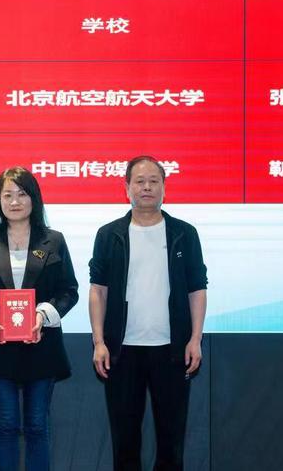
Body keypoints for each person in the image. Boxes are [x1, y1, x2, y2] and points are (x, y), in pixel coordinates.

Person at [88, 155, 208, 471]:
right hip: (121, 351)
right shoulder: (109, 235)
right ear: (126, 187)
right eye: (139, 181)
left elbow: (197, 288)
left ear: (164, 187)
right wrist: (99, 342)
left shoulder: (184, 233)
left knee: (171, 442)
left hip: (172, 350)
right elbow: (98, 290)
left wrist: (195, 338)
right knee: (125, 441)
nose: (147, 187)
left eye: (154, 181)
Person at [0, 166, 79, 471]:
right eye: (7, 195)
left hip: (41, 345)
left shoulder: (54, 240)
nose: (14, 201)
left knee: (37, 425)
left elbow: (68, 290)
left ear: (34, 198)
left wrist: (42, 314)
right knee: (7, 424)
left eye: (22, 194)